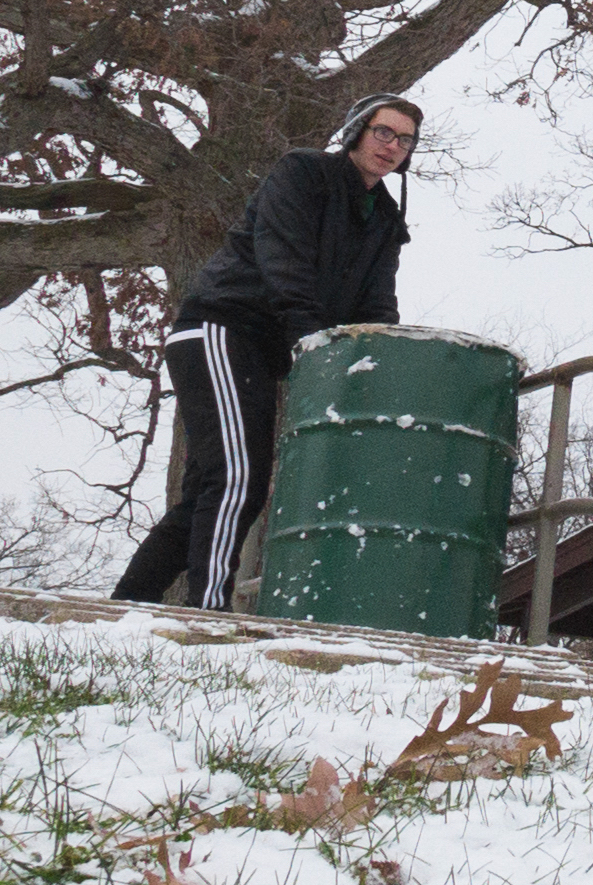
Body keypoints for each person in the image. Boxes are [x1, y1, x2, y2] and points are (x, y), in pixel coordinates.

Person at [114, 97, 418, 608]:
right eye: (384, 132)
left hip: (267, 353)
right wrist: (312, 341)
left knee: (214, 489)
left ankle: (126, 603)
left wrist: (378, 358)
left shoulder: (385, 219)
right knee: (236, 478)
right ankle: (207, 611)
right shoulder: (303, 173)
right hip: (221, 327)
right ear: (355, 131)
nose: (393, 147)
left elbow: (376, 303)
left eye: (405, 140)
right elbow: (284, 260)